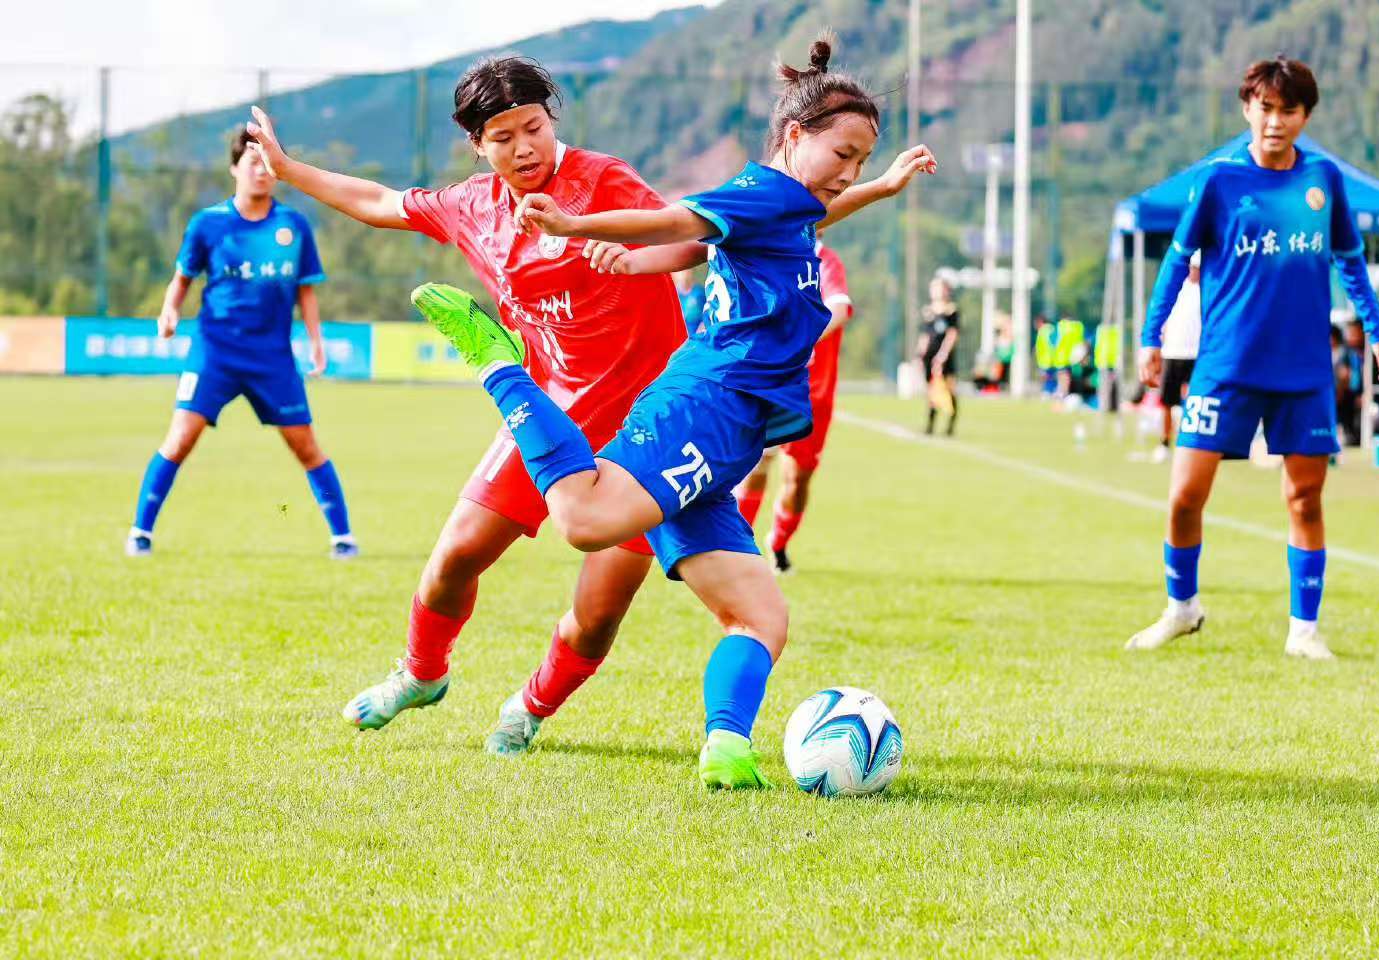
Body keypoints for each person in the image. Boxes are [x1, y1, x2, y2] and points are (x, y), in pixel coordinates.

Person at [411, 34, 934, 787]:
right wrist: (576, 227)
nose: (848, 171)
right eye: (843, 154)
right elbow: (680, 220)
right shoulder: (763, 191)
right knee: (585, 521)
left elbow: (755, 232)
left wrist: (880, 188)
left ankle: (726, 750)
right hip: (707, 405)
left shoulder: (789, 206)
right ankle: (500, 367)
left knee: (762, 620)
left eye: (861, 159)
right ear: (795, 136)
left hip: (735, 434)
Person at [243, 57, 688, 752]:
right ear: (477, 145)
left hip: (646, 426)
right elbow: (379, 202)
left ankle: (529, 710)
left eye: (534, 128)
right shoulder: (472, 206)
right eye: (503, 137)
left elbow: (687, 235)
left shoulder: (603, 180)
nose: (525, 148)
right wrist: (288, 169)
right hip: (546, 415)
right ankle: (421, 674)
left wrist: (632, 249)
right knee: (452, 559)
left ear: (552, 119)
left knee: (598, 612)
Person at [1127, 56, 1379, 659]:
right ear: (1247, 108)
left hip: (1303, 371)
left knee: (1304, 498)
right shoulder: (1219, 182)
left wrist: (1378, 333)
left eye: (1288, 111)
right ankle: (1181, 607)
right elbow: (1177, 260)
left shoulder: (1323, 180)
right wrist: (1151, 335)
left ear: (1305, 116)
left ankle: (1304, 630)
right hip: (1225, 367)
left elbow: (1350, 261)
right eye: (1265, 108)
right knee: (1184, 495)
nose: (1275, 121)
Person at [124, 130, 355, 560]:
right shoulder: (207, 223)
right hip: (215, 352)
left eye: (267, 163)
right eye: (252, 162)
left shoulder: (293, 226)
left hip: (272, 357)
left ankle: (343, 537)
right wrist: (169, 310)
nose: (260, 171)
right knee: (180, 438)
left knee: (305, 446)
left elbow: (305, 290)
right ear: (234, 168)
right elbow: (182, 278)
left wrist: (316, 341)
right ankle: (140, 532)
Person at [733, 232, 854, 573]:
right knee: (757, 464)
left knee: (798, 478)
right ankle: (738, 549)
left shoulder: (825, 260)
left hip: (814, 392)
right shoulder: (770, 253)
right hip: (774, 383)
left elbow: (840, 308)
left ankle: (779, 543)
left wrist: (799, 339)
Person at [1155, 250, 1202, 462]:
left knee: (1195, 401)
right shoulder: (1175, 288)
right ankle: (1165, 442)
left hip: (1197, 353)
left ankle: (1193, 445)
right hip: (1173, 352)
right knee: (1167, 402)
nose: (1195, 271)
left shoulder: (1208, 289)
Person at [918, 278, 960, 434]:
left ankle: (950, 424)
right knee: (932, 390)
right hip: (930, 357)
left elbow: (952, 334)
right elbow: (925, 335)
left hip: (944, 358)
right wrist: (920, 355)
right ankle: (930, 425)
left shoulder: (951, 311)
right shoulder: (928, 311)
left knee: (948, 390)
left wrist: (943, 355)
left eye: (940, 288)